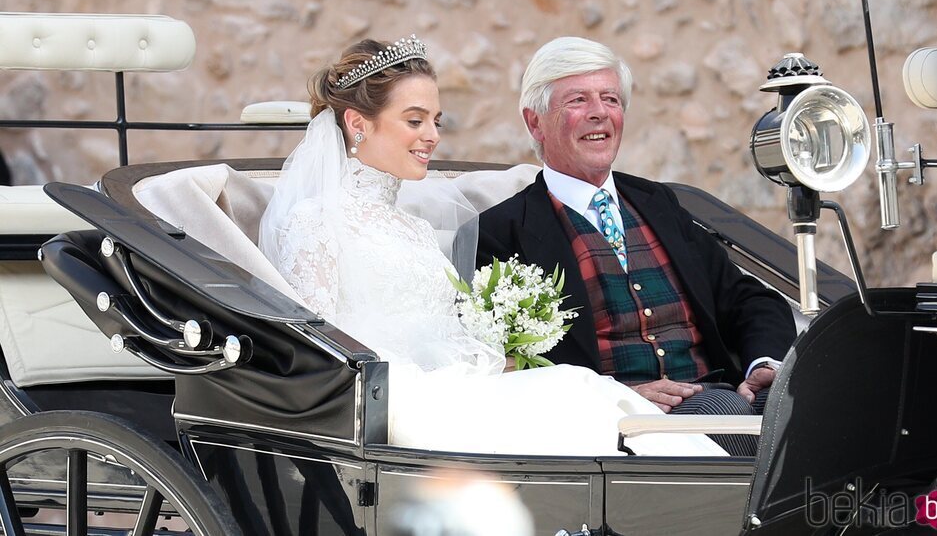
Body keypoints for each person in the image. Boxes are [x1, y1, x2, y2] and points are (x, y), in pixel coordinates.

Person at [258, 36, 726, 457]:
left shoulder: (416, 230)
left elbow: (445, 330)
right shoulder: (316, 221)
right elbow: (320, 350)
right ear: (358, 123)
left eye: (436, 121)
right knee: (575, 397)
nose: (432, 136)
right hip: (397, 402)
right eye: (414, 120)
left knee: (580, 386)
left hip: (457, 385)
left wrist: (500, 359)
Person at [477, 36, 797, 456]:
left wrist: (764, 366)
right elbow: (505, 367)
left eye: (610, 98)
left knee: (823, 403)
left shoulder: (657, 202)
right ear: (535, 122)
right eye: (577, 100)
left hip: (724, 397)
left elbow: (748, 298)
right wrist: (619, 395)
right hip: (616, 428)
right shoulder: (502, 232)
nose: (599, 113)